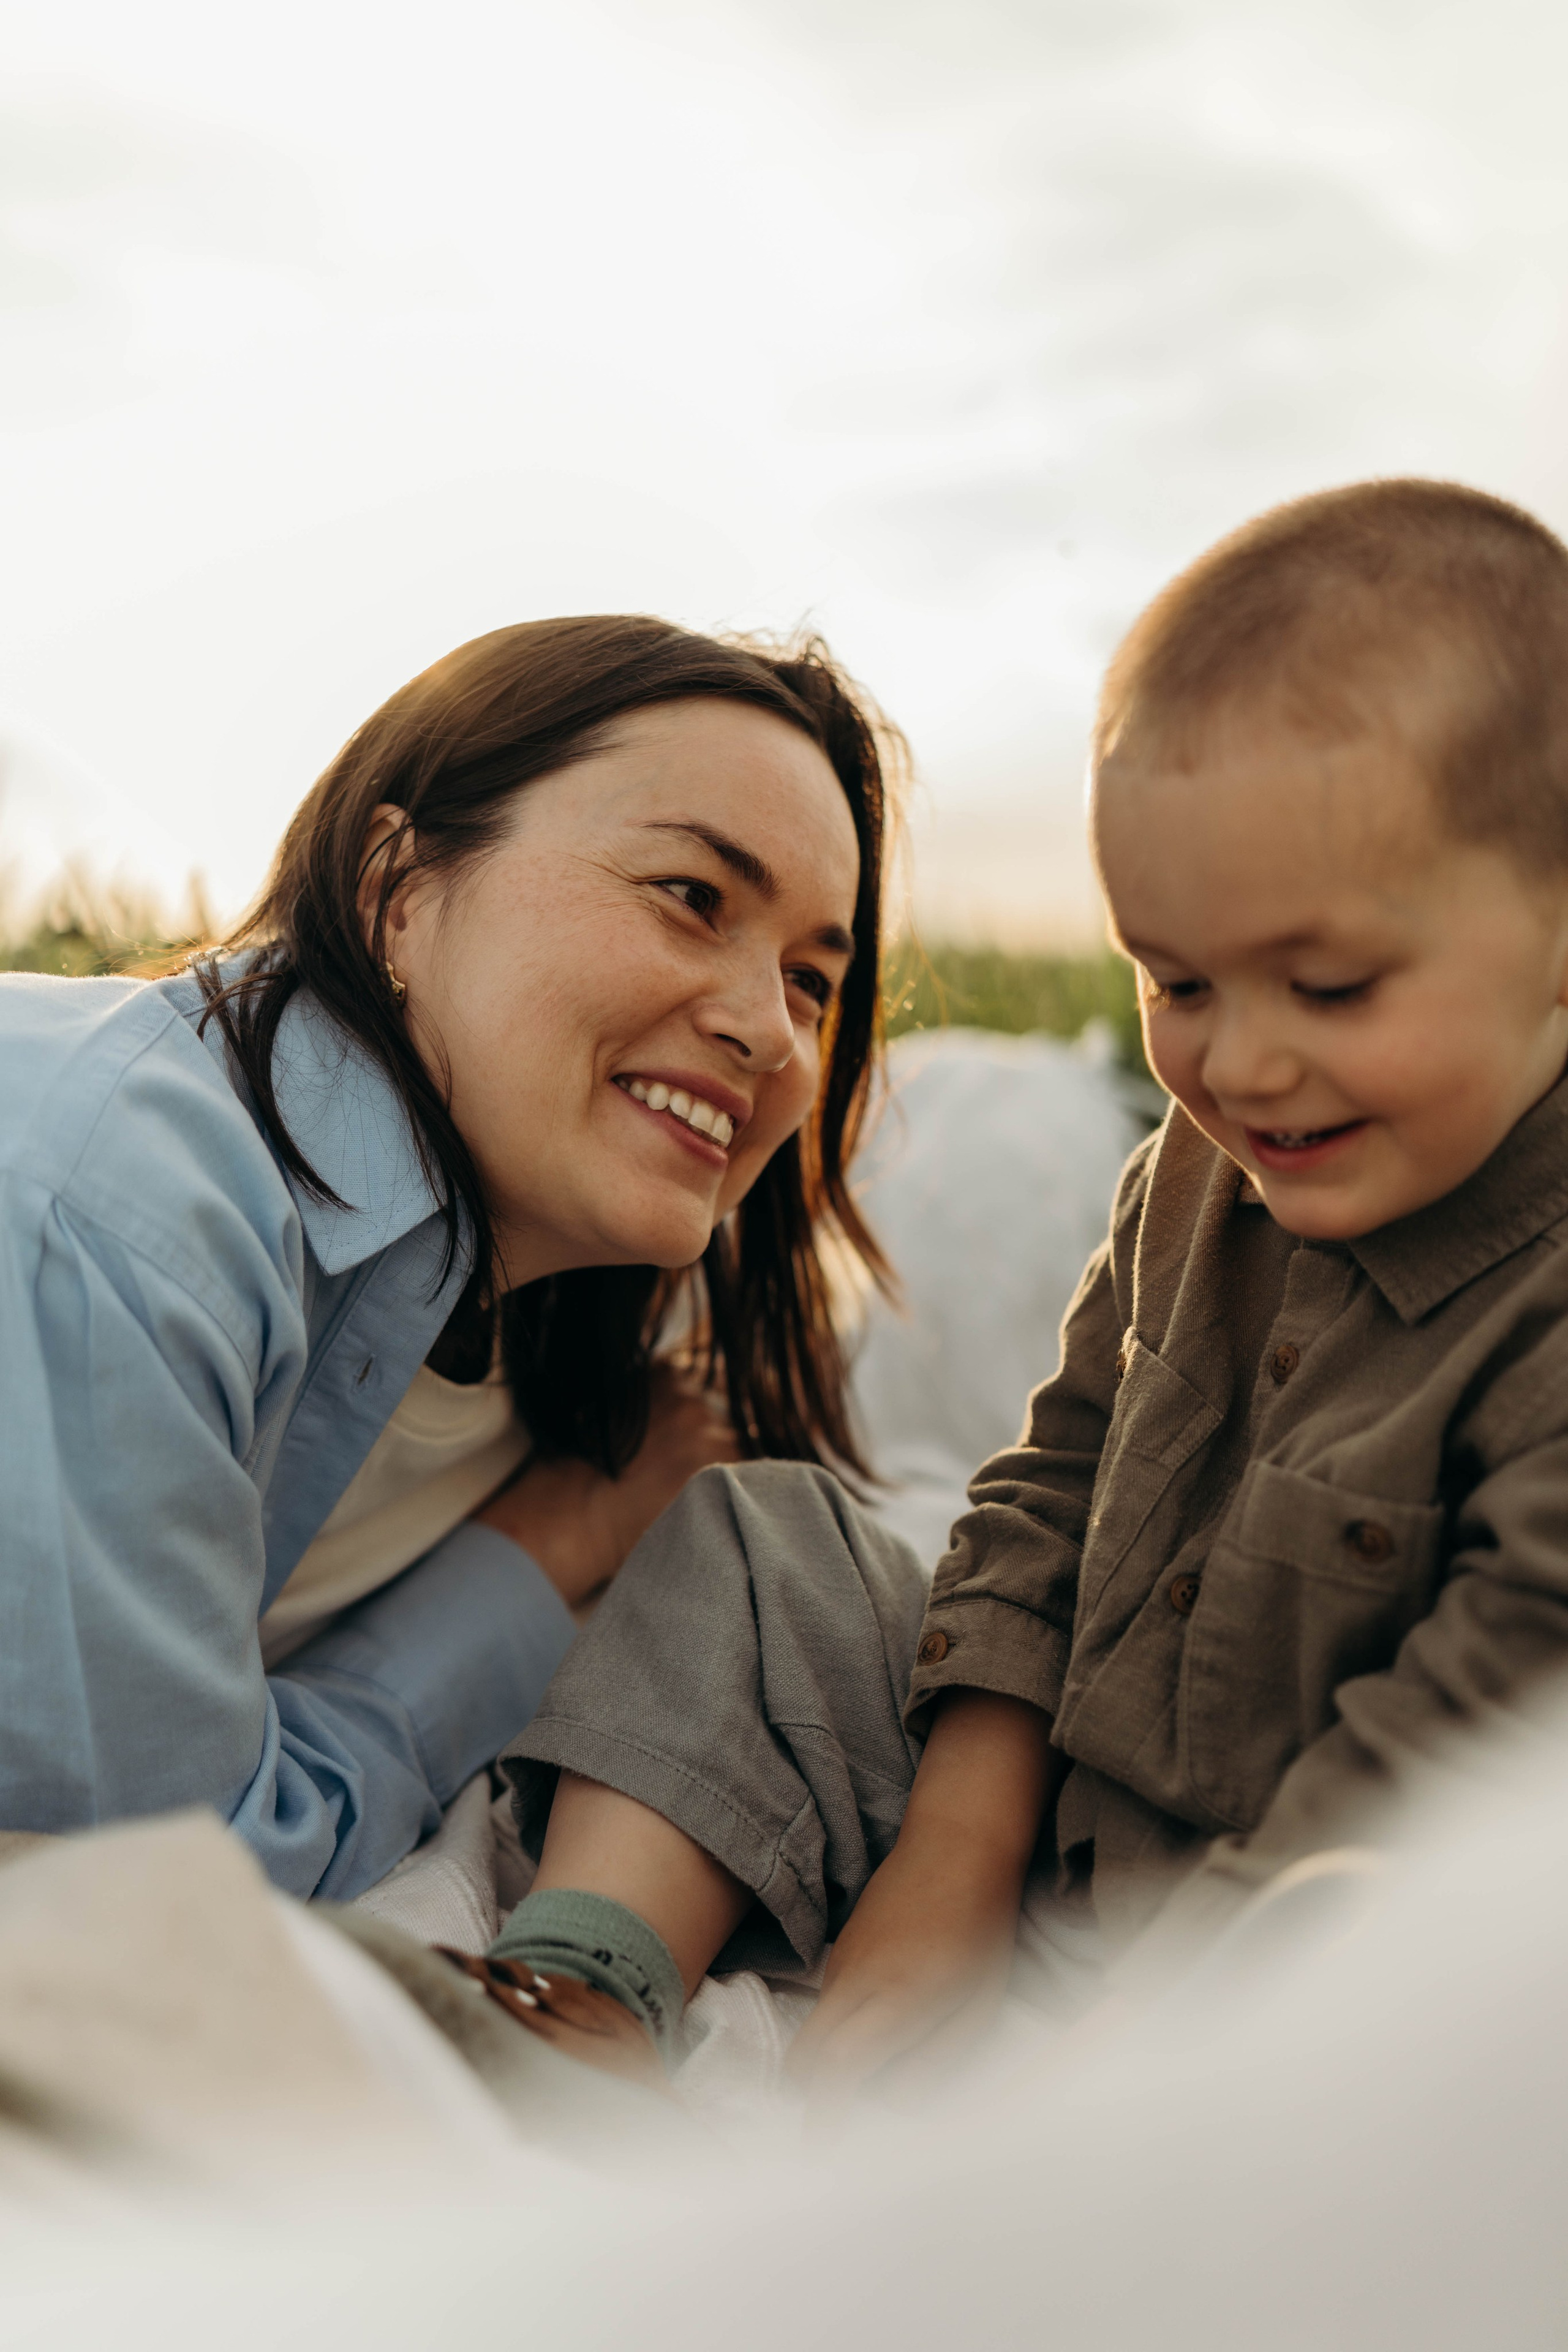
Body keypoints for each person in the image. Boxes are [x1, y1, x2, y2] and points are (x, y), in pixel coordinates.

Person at [466, 479, 1568, 2092]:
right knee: (778, 1545)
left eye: (1329, 986)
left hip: (1295, 1957)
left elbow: (1473, 1752)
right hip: (1055, 1806)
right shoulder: (1205, 1175)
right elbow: (1059, 1483)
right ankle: (582, 2004)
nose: (1243, 1063)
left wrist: (1151, 2055)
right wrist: (956, 1852)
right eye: (1174, 983)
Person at [0, 617, 899, 1900]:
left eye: (811, 980)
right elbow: (157, 1901)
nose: (770, 1031)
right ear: (397, 891)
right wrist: (547, 1547)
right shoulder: (116, 1232)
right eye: (691, 897)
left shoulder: (575, 1308)